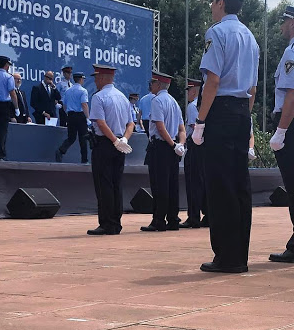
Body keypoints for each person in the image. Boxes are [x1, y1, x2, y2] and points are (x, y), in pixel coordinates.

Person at [193, 0, 259, 273]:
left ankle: (225, 256)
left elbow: (213, 81)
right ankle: (239, 255)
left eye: (212, 0)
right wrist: (244, 119)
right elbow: (253, 89)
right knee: (239, 185)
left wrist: (200, 121)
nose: (210, 5)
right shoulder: (251, 38)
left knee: (219, 185)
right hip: (241, 112)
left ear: (221, 3)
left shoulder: (217, 33)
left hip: (219, 113)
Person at [87, 64, 134, 235]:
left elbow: (100, 122)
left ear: (101, 78)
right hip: (120, 144)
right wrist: (124, 139)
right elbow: (131, 123)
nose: (95, 81)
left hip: (106, 143)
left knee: (104, 183)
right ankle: (116, 222)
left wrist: (114, 140)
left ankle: (106, 223)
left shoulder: (98, 97)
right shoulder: (123, 97)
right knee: (116, 183)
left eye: (96, 77)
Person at [141, 71, 186, 232]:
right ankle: (173, 219)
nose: (151, 85)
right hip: (172, 147)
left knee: (159, 184)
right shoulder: (174, 102)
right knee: (172, 184)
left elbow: (160, 127)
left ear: (158, 84)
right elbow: (181, 128)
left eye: (152, 82)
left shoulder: (157, 100)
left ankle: (159, 220)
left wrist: (173, 145)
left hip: (161, 146)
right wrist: (179, 144)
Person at [269, 6, 294, 263]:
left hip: (291, 124)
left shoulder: (291, 51)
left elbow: (291, 95)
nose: (282, 26)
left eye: (285, 21)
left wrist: (281, 131)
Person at [179, 78, 208, 229]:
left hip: (195, 145)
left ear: (194, 91)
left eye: (189, 91)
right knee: (204, 182)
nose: (188, 95)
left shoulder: (192, 106)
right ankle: (207, 215)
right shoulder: (207, 103)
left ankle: (193, 216)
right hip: (205, 146)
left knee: (193, 183)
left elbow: (193, 125)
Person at [55, 72, 91, 164]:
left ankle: (61, 150)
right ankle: (84, 160)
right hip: (80, 116)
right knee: (83, 138)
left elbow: (64, 105)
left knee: (71, 137)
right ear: (81, 79)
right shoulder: (83, 91)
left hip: (70, 116)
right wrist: (87, 118)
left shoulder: (68, 91)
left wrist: (68, 113)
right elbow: (84, 104)